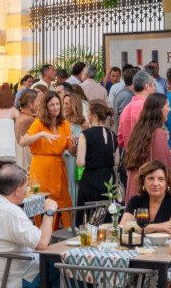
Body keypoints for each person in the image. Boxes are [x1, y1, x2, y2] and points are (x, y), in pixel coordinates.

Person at [19, 91, 73, 222]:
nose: (56, 107)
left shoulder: (64, 123)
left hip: (58, 171)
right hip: (41, 171)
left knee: (65, 205)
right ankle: (40, 235)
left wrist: (75, 144)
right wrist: (41, 134)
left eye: (57, 104)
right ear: (46, 107)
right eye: (52, 105)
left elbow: (71, 150)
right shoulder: (39, 123)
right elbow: (23, 141)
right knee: (41, 205)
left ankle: (65, 233)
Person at [123, 93, 171, 203]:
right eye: (167, 106)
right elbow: (160, 165)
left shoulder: (140, 130)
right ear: (159, 109)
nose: (170, 109)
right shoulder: (158, 132)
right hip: (148, 192)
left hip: (136, 186)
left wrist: (168, 153)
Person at [75, 101, 117, 219]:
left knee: (87, 217)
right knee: (107, 217)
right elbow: (116, 161)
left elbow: (80, 162)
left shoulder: (85, 134)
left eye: (88, 113)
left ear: (93, 115)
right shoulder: (112, 135)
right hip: (109, 179)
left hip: (91, 179)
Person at [120, 160, 171, 235]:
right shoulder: (136, 201)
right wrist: (159, 227)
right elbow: (123, 227)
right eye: (151, 178)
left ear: (167, 183)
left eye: (161, 179)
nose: (155, 184)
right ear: (143, 182)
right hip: (138, 246)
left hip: (165, 246)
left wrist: (138, 228)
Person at [117, 70, 156, 149]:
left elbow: (120, 139)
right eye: (153, 85)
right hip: (147, 155)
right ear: (147, 86)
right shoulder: (149, 107)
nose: (155, 88)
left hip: (130, 155)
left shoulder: (126, 108)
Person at [15, 89, 40, 170]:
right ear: (30, 104)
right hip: (26, 159)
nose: (39, 103)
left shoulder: (20, 116)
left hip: (19, 158)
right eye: (37, 101)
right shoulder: (30, 120)